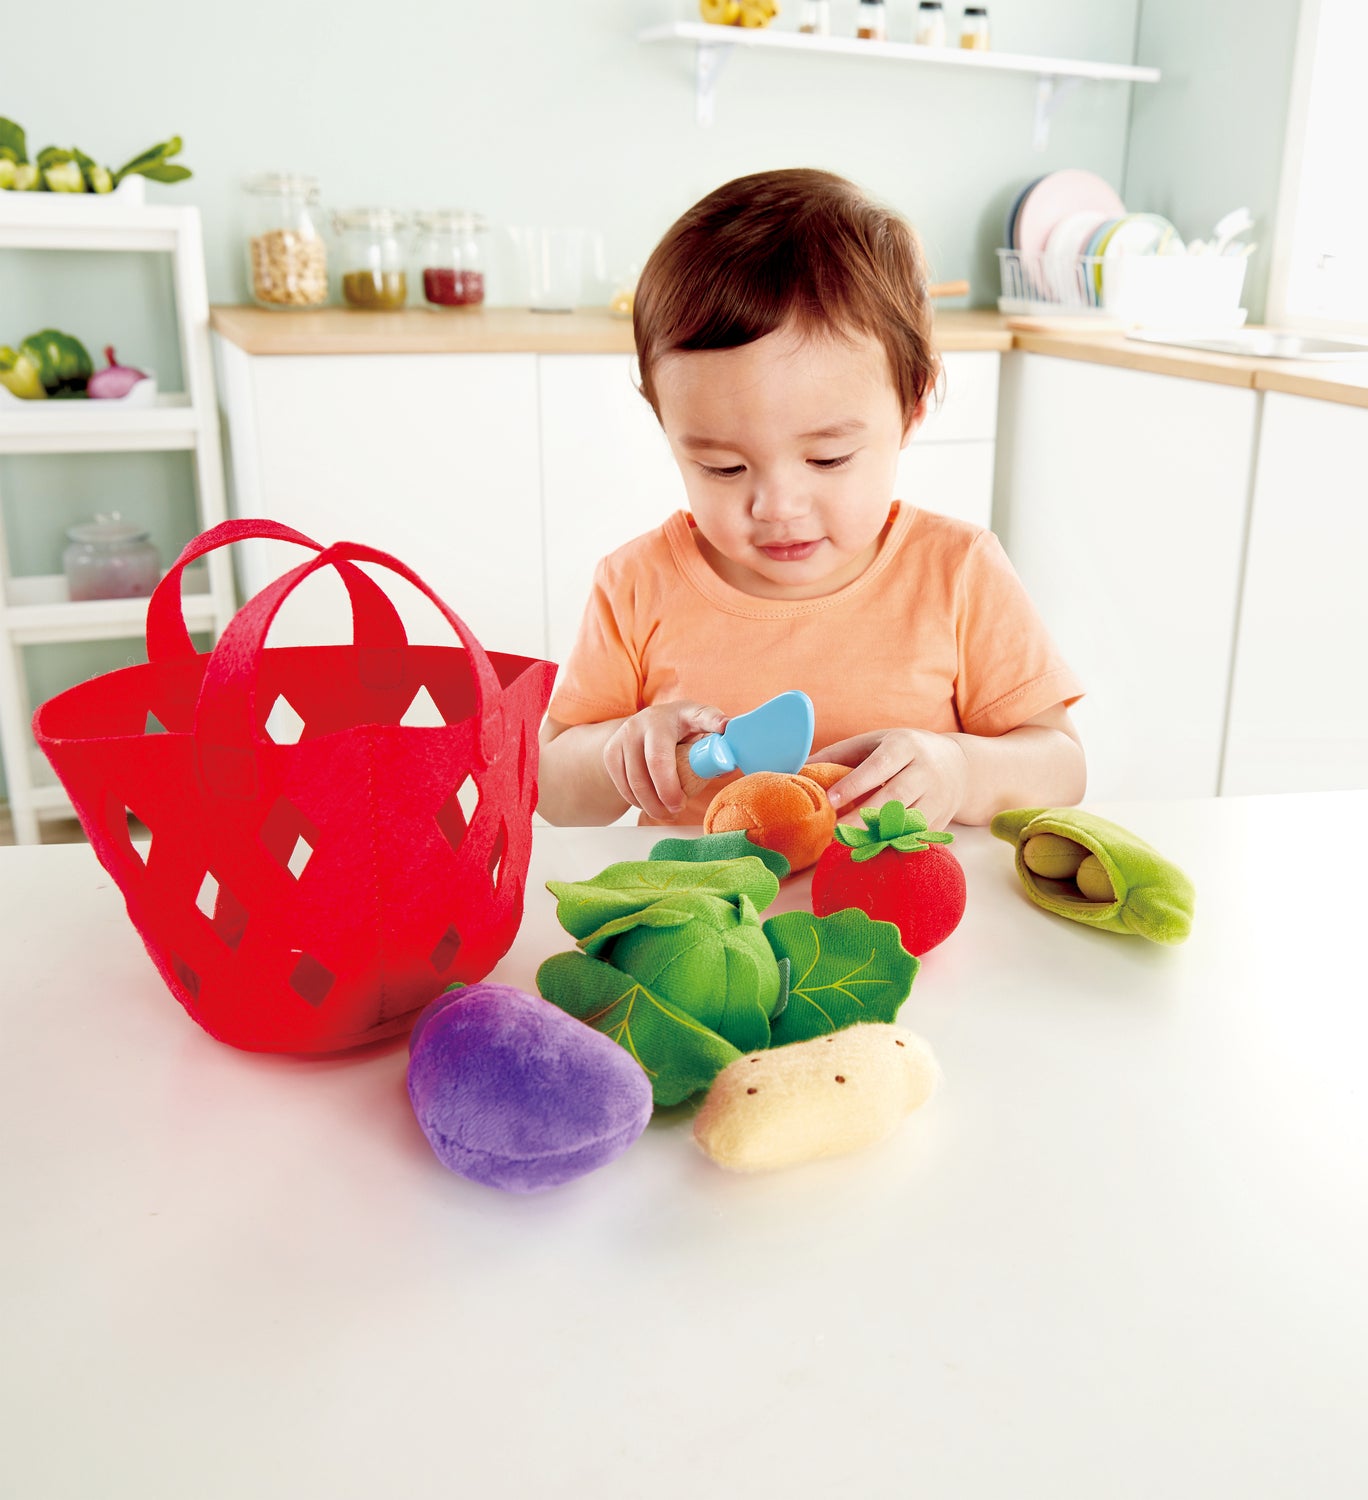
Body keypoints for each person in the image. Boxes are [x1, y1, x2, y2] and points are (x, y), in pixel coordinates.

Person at [537, 168, 1085, 829]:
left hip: (898, 920)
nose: (776, 506)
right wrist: (620, 755)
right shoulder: (636, 583)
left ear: (912, 407)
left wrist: (959, 769)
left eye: (828, 459)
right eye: (722, 466)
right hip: (701, 920)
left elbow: (1062, 767)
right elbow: (554, 794)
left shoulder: (958, 572)